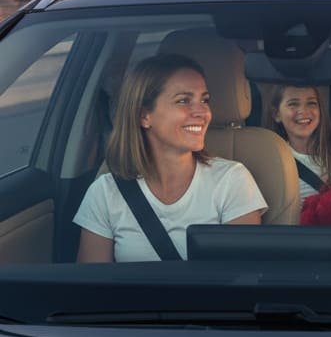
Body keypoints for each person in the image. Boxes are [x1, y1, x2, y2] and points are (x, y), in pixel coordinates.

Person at [75, 53, 267, 263]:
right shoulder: (105, 192)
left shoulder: (231, 180)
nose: (202, 111)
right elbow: (92, 287)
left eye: (205, 100)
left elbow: (241, 279)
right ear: (144, 116)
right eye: (184, 100)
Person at [270, 85, 331, 203]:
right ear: (276, 114)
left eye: (311, 103)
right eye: (293, 104)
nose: (303, 111)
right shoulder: (270, 157)